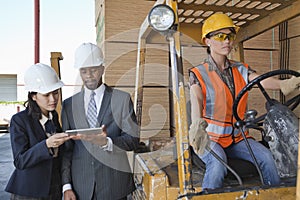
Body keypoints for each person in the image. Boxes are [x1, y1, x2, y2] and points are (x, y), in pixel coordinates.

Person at [188, 13, 300, 190]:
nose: (227, 41)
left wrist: (283, 84)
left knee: (267, 157)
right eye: (221, 36)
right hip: (209, 139)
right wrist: (196, 126)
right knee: (218, 165)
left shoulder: (240, 69)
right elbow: (196, 99)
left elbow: (261, 80)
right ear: (207, 41)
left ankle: (272, 194)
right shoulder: (198, 73)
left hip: (237, 138)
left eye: (230, 37)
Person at [61, 42, 140, 200]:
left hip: (114, 184)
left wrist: (107, 142)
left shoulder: (121, 99)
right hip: (81, 185)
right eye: (84, 71)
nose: (89, 75)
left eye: (94, 70)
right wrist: (66, 185)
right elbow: (67, 150)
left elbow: (133, 139)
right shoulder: (69, 105)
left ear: (102, 69)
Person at [5, 63, 72, 199]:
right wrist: (47, 145)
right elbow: (20, 161)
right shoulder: (20, 120)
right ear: (34, 96)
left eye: (55, 93)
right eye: (46, 95)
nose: (53, 99)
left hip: (53, 190)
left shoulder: (54, 117)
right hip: (29, 192)